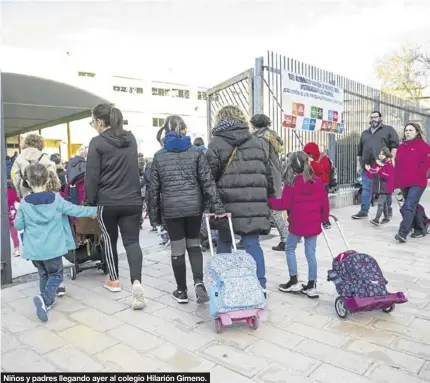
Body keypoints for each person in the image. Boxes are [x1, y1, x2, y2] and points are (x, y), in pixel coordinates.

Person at [150, 115, 225, 304]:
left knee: (177, 248)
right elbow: (207, 182)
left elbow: (154, 189)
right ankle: (198, 282)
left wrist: (154, 217)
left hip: (172, 209)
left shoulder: (159, 156)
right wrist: (216, 206)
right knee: (193, 244)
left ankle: (181, 291)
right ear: (183, 129)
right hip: (193, 207)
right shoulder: (196, 152)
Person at [14, 164, 97, 322]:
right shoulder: (56, 200)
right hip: (53, 249)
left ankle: (48, 302)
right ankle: (45, 299)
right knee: (56, 275)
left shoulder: (25, 203)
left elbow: (18, 225)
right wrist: (93, 211)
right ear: (47, 180)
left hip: (34, 250)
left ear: (29, 183)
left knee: (43, 274)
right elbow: (75, 210)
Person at [206, 106, 275, 296]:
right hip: (254, 203)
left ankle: (224, 283)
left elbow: (209, 177)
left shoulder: (216, 143)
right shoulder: (258, 142)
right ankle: (260, 285)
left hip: (226, 203)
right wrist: (267, 198)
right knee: (252, 243)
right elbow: (266, 174)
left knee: (225, 241)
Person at [85, 104, 145, 310]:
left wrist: (89, 202)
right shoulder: (131, 139)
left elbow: (91, 175)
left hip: (107, 201)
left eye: (93, 121)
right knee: (132, 242)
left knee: (110, 241)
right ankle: (136, 282)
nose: (93, 126)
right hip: (132, 200)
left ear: (100, 122)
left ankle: (114, 279)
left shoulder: (97, 142)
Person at [269, 151, 329, 298]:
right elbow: (324, 203)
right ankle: (311, 285)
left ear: (293, 167)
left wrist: (269, 201)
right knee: (310, 254)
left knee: (290, 248)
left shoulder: (291, 184)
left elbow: (284, 204)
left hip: (297, 224)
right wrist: (324, 218)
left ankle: (294, 281)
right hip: (313, 224)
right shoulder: (317, 182)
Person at [250, 113, 288, 252]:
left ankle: (285, 237)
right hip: (274, 175)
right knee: (273, 208)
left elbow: (262, 158)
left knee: (273, 209)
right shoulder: (271, 135)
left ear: (255, 124)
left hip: (267, 176)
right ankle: (285, 236)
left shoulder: (262, 138)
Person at [352, 111, 399, 220]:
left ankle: (388, 210)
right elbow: (359, 151)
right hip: (367, 166)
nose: (373, 119)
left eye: (376, 117)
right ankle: (364, 211)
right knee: (366, 188)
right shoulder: (365, 133)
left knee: (385, 189)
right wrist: (359, 165)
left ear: (380, 118)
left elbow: (394, 146)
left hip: (383, 166)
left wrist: (392, 158)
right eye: (371, 117)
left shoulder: (388, 130)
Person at [394, 123, 430, 243]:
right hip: (404, 182)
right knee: (411, 206)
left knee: (409, 206)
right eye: (406, 130)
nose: (407, 132)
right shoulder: (401, 147)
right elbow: (397, 166)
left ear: (417, 132)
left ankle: (403, 233)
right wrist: (395, 183)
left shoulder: (423, 146)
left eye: (410, 130)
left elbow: (426, 164)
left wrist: (418, 173)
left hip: (418, 182)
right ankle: (420, 228)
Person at [11, 134, 58, 198]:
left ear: (25, 143)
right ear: (41, 144)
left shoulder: (19, 158)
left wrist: (18, 196)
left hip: (25, 192)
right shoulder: (45, 157)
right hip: (43, 193)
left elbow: (15, 179)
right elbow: (53, 179)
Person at [303, 142, 332, 229]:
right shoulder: (306, 161)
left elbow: (322, 171)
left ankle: (325, 221)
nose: (308, 156)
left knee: (323, 203)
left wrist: (313, 163)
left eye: (309, 154)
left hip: (322, 184)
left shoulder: (323, 158)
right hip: (312, 184)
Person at [365, 147, 394, 226]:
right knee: (383, 203)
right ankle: (386, 218)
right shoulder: (377, 163)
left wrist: (379, 171)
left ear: (386, 155)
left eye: (382, 154)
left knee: (380, 203)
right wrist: (369, 170)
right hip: (379, 187)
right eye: (380, 154)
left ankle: (376, 219)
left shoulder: (389, 164)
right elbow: (373, 172)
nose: (380, 155)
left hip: (385, 187)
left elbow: (388, 176)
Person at [7, 180, 20, 257]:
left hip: (3, 214)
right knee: (14, 234)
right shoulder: (14, 192)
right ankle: (17, 249)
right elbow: (18, 200)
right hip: (13, 214)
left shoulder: (2, 191)